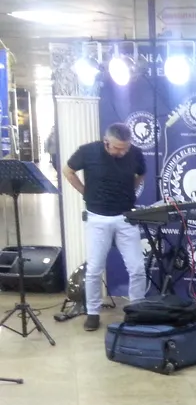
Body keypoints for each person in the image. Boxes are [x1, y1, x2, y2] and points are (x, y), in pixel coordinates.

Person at [63, 123, 147, 332]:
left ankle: (137, 309)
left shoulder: (135, 153)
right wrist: (86, 193)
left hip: (126, 217)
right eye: (117, 148)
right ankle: (92, 312)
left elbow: (141, 174)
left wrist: (129, 192)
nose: (122, 152)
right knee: (94, 269)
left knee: (137, 267)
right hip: (97, 218)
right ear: (106, 141)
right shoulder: (88, 151)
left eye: (125, 148)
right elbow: (68, 170)